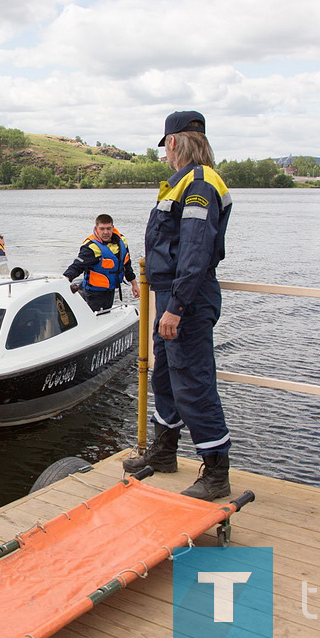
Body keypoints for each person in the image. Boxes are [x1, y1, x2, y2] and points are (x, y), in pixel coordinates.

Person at [123, 111, 233, 502]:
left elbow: (195, 250)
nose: (165, 154)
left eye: (165, 147)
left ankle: (216, 471)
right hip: (170, 296)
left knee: (193, 382)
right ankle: (165, 450)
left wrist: (177, 307)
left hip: (186, 297)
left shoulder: (200, 183)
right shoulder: (183, 182)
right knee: (166, 376)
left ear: (173, 143)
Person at [62, 214, 139, 312]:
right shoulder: (91, 247)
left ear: (113, 228)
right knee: (96, 317)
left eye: (108, 228)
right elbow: (77, 266)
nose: (105, 232)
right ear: (96, 228)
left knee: (107, 314)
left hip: (110, 290)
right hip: (94, 294)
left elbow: (126, 264)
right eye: (102, 229)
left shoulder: (122, 241)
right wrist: (64, 280)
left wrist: (134, 284)